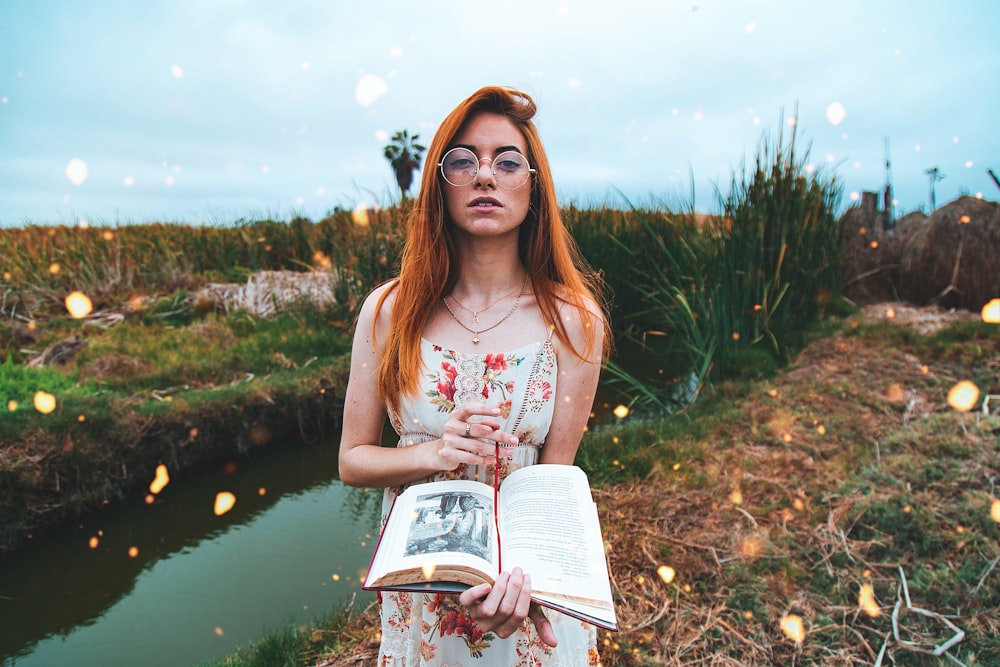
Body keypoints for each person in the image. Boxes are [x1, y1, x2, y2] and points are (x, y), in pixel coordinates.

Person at [339, 85, 609, 666]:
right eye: (463, 160)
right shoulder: (388, 312)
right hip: (424, 593)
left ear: (533, 185)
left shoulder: (575, 321)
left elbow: (551, 486)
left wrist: (521, 590)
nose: (485, 175)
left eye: (507, 161)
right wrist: (433, 452)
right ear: (440, 183)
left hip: (521, 589)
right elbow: (353, 460)